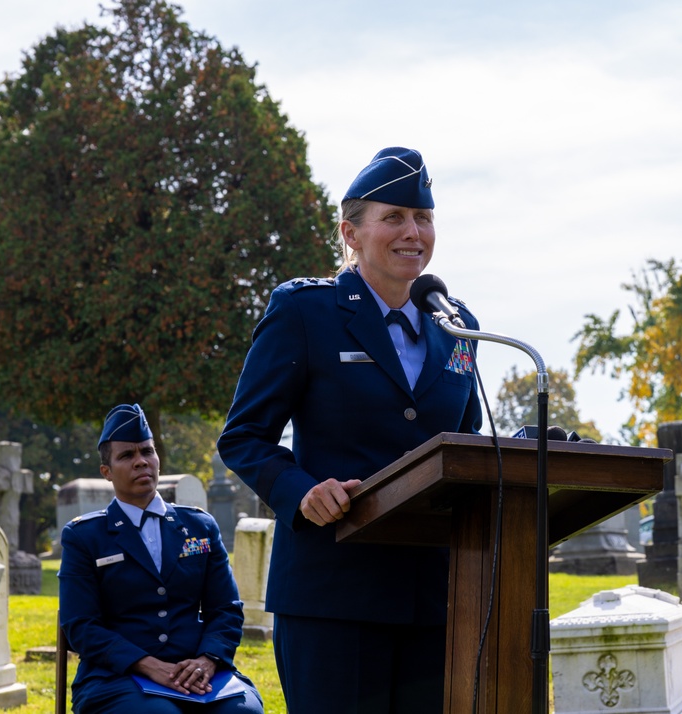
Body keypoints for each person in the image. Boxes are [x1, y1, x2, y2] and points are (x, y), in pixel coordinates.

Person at [217, 146, 483, 713]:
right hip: (332, 593)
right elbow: (243, 437)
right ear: (351, 233)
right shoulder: (305, 312)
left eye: (424, 218)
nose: (413, 231)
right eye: (393, 217)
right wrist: (302, 490)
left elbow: (463, 452)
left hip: (434, 600)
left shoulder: (457, 325)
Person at [58, 403, 264, 714]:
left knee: (243, 712)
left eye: (147, 452)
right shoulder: (84, 536)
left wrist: (207, 660)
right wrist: (148, 665)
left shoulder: (200, 526)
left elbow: (226, 609)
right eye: (127, 456)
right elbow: (81, 625)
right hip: (117, 677)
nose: (141, 462)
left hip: (198, 672)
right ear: (107, 472)